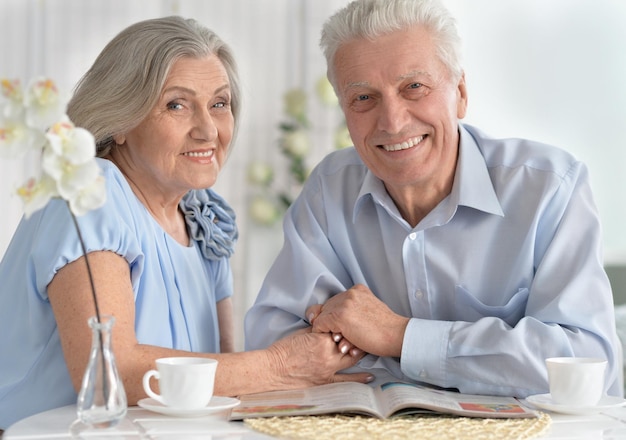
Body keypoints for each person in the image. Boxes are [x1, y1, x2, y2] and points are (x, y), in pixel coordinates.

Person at [0, 16, 370, 430]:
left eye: (219, 103)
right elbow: (112, 374)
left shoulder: (204, 214)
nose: (208, 129)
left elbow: (229, 380)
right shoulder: (91, 193)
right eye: (176, 105)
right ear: (121, 121)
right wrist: (283, 363)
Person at [245, 0, 623, 399]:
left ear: (459, 93)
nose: (392, 122)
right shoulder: (328, 189)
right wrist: (499, 358)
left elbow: (583, 363)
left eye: (413, 88)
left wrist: (400, 337)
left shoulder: (550, 188)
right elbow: (276, 344)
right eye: (364, 98)